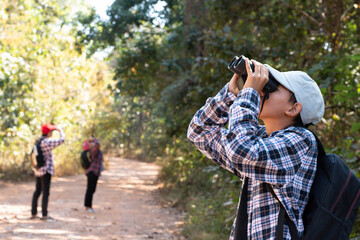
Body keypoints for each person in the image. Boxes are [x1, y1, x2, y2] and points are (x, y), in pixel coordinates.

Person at [187, 57, 324, 239]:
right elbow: (199, 132)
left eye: (271, 88)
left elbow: (241, 150)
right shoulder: (259, 139)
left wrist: (249, 93)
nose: (261, 91)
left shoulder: (300, 141)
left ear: (293, 108)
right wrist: (229, 96)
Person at [31, 123, 65, 220]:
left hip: (38, 170)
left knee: (37, 191)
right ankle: (44, 214)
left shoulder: (38, 141)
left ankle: (34, 213)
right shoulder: (47, 142)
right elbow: (61, 140)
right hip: (46, 170)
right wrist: (60, 130)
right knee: (45, 192)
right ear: (48, 132)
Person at [84, 136, 103, 213]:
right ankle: (88, 206)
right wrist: (92, 140)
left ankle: (88, 205)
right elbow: (98, 144)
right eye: (90, 142)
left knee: (92, 189)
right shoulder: (93, 151)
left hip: (95, 172)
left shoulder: (95, 151)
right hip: (92, 171)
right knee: (90, 189)